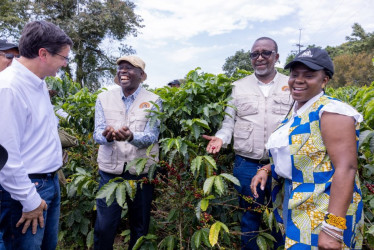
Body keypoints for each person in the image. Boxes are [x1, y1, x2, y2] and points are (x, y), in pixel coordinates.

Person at [251, 48, 364, 249]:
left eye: (309, 75)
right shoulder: (297, 110)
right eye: (295, 75)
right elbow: (301, 156)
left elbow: (346, 168)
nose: (299, 80)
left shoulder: (331, 111)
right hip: (297, 204)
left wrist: (333, 228)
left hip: (323, 209)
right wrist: (267, 168)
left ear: (325, 80)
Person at [203, 37, 292, 249]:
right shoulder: (238, 87)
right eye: (255, 54)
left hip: (282, 164)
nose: (260, 57)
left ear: (276, 57)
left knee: (281, 218)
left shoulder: (290, 84)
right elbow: (228, 123)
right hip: (247, 164)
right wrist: (221, 138)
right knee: (249, 217)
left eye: (266, 53)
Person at [0, 20, 73, 249]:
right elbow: (5, 155)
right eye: (63, 57)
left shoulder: (39, 83)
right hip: (26, 190)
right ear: (43, 54)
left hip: (48, 182)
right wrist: (29, 200)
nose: (64, 64)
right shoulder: (9, 88)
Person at [93, 55, 162, 250]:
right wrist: (105, 136)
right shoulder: (103, 98)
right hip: (110, 171)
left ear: (141, 75)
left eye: (129, 68)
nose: (123, 70)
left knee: (139, 225)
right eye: (121, 67)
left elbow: (152, 135)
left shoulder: (154, 100)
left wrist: (131, 137)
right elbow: (97, 132)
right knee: (104, 225)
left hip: (141, 171)